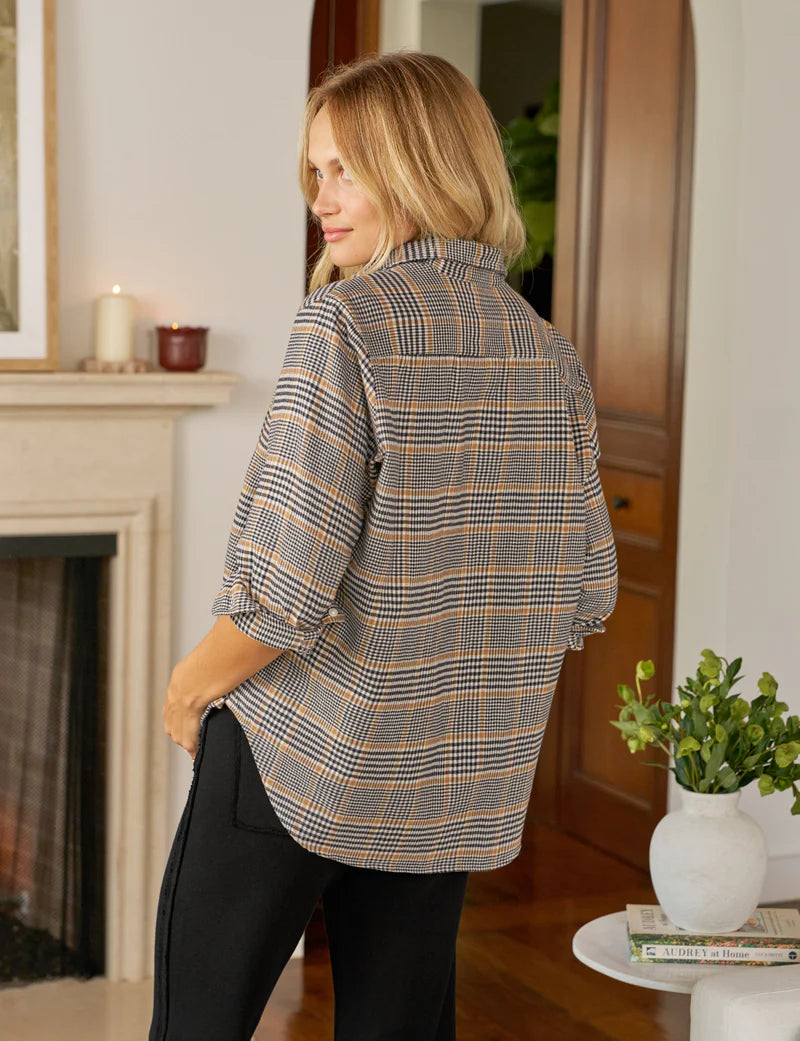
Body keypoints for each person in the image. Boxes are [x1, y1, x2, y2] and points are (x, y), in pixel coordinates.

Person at [148, 51, 617, 1041]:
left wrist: (191, 686)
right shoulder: (545, 352)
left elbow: (281, 590)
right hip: (444, 773)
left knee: (196, 1025)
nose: (321, 197)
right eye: (314, 172)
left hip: (292, 753)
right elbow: (586, 587)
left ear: (419, 164)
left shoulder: (343, 324)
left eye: (346, 169)